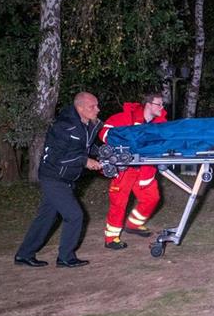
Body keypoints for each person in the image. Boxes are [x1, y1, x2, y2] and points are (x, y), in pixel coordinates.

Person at [14, 92, 103, 268]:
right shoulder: (64, 127)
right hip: (54, 177)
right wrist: (85, 161)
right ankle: (65, 257)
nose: (97, 110)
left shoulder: (87, 125)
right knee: (74, 215)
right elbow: (56, 158)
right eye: (92, 106)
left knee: (46, 217)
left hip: (67, 177)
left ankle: (24, 255)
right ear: (80, 108)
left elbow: (85, 146)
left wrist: (102, 153)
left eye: (97, 105)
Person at [98, 93, 168, 250]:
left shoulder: (161, 123)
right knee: (119, 203)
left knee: (152, 198)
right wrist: (125, 140)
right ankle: (111, 238)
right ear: (148, 104)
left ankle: (133, 225)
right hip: (125, 169)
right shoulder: (125, 117)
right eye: (159, 104)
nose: (162, 108)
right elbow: (104, 132)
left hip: (146, 169)